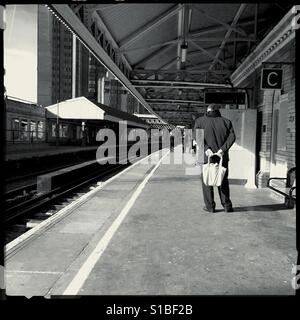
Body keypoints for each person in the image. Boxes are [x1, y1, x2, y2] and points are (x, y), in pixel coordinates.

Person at [193, 104, 236, 213]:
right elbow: (232, 137)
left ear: (208, 110)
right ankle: (227, 206)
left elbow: (197, 137)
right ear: (218, 110)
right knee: (223, 180)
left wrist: (207, 148)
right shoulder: (226, 122)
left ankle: (210, 207)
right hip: (222, 157)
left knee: (207, 181)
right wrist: (222, 149)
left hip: (207, 157)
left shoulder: (199, 121)